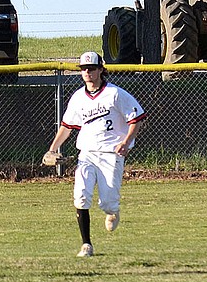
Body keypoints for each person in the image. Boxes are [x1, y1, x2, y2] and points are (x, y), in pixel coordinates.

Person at [47, 51, 147, 257]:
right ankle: (86, 245)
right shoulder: (77, 98)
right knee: (81, 196)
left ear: (101, 69)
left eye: (91, 68)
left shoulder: (115, 94)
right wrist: (52, 148)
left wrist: (126, 142)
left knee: (108, 202)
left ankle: (113, 211)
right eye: (83, 69)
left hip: (111, 154)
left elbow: (137, 118)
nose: (87, 73)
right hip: (87, 153)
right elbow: (67, 126)